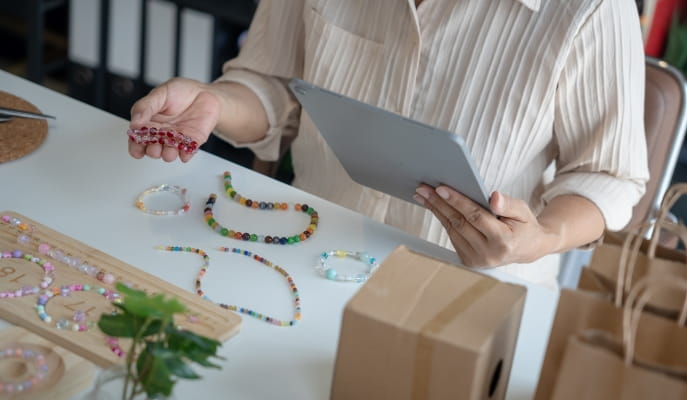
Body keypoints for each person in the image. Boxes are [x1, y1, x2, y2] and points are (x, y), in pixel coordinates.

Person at [128, 0, 649, 288]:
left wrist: (542, 238)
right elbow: (270, 84)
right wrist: (213, 102)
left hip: (472, 290)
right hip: (303, 255)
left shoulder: (593, 8)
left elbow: (611, 175)